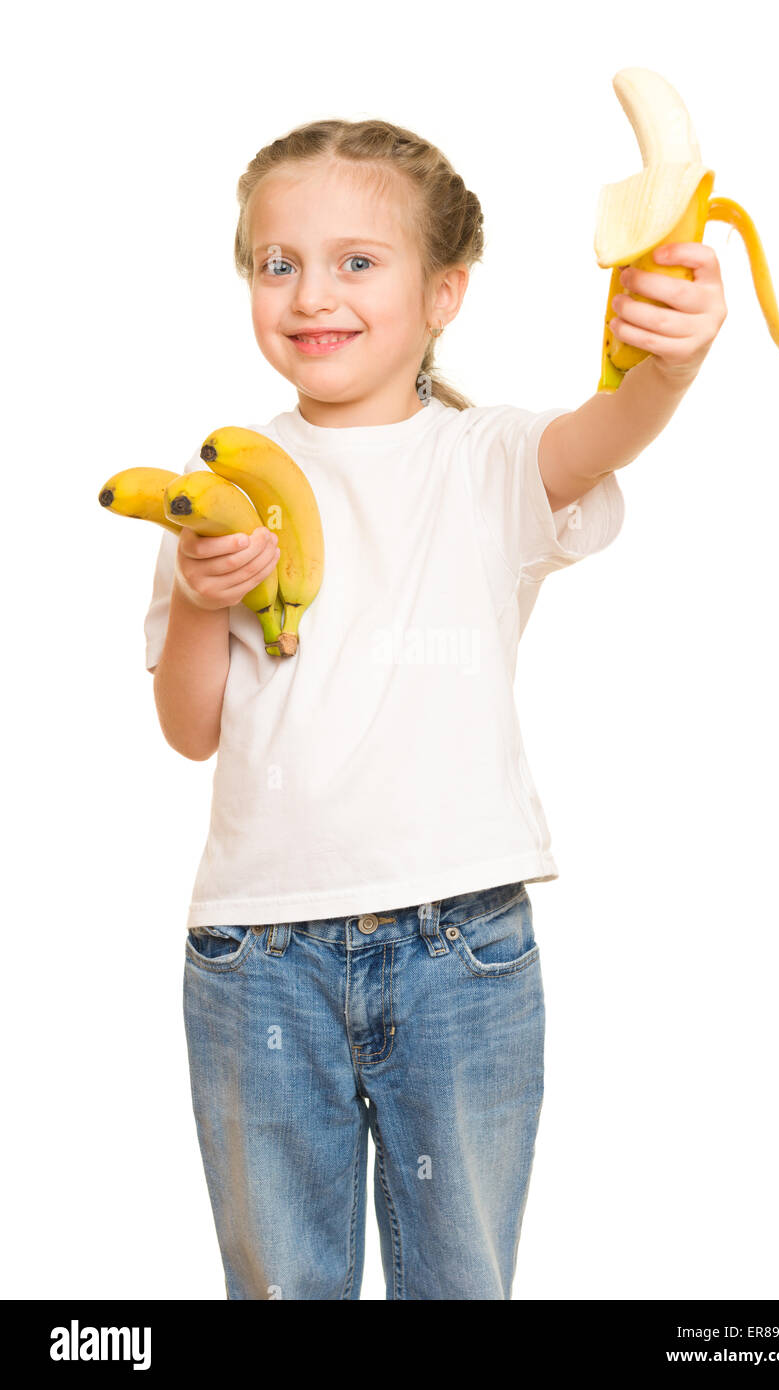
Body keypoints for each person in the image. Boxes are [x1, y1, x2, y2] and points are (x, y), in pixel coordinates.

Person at [144, 119, 726, 1300]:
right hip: (258, 955)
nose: (313, 292)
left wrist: (664, 361)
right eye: (278, 262)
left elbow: (601, 430)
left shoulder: (487, 462)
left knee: (460, 1282)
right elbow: (191, 728)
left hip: (456, 948)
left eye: (359, 261)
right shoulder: (219, 485)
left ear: (444, 290)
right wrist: (205, 601)